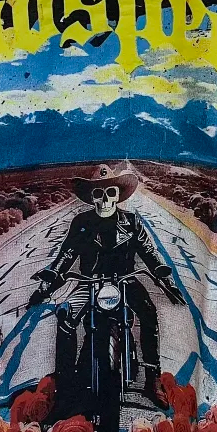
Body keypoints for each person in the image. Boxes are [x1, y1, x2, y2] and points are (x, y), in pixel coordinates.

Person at [26, 163, 186, 407]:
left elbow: (149, 252)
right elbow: (66, 254)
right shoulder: (81, 222)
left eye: (110, 193)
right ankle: (65, 383)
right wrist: (50, 280)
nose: (104, 200)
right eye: (98, 194)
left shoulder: (132, 222)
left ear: (117, 195)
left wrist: (164, 277)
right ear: (92, 197)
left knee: (149, 312)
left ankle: (152, 378)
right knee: (65, 316)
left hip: (125, 281)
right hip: (90, 283)